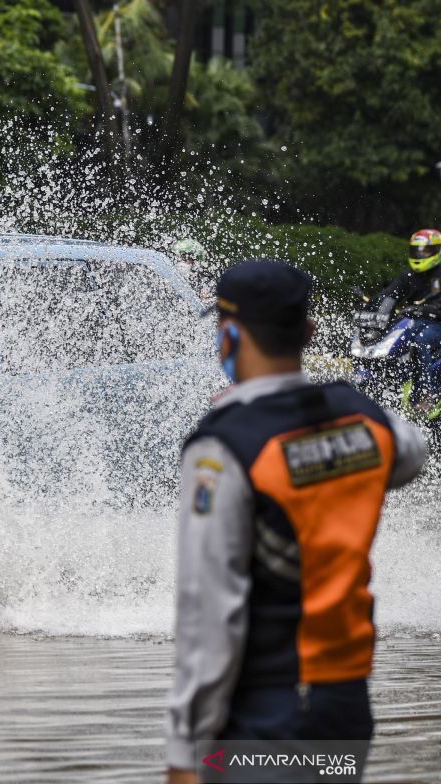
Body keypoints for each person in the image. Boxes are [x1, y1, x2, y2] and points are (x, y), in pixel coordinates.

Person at [166, 260, 427, 784]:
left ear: (228, 335)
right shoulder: (360, 416)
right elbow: (411, 455)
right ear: (308, 333)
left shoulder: (225, 446)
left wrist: (184, 752)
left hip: (266, 709)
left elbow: (209, 610)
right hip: (346, 704)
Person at [374, 228, 441, 409]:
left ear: (437, 250)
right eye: (417, 250)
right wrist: (373, 308)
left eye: (425, 251)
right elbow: (389, 295)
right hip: (412, 322)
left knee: (421, 342)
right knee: (385, 342)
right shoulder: (409, 274)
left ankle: (423, 395)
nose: (420, 254)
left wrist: (432, 309)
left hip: (436, 325)